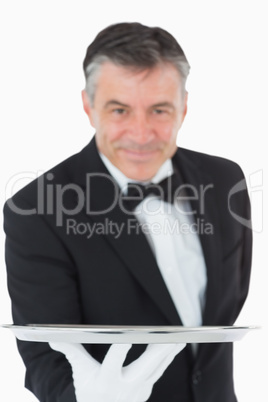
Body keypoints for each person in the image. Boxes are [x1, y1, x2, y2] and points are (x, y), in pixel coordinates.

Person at [3, 22, 252, 402]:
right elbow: (45, 360)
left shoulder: (224, 180)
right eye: (119, 109)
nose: (141, 133)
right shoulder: (35, 211)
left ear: (184, 107)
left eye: (159, 109)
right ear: (88, 106)